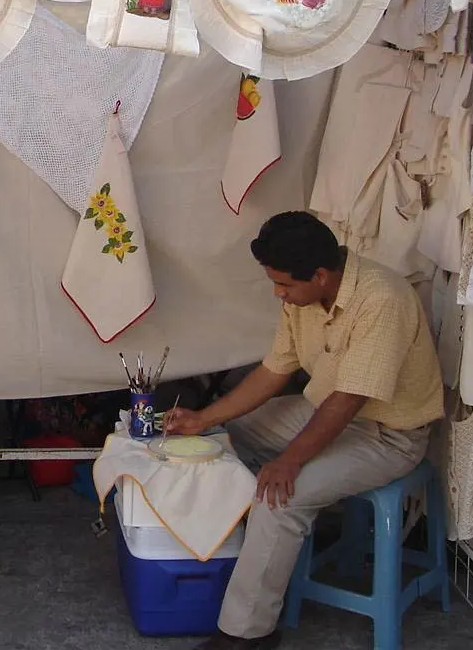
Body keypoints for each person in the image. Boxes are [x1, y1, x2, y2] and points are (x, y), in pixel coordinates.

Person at [164, 211, 444, 650]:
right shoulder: (305, 297)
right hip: (323, 411)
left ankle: (247, 633)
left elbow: (348, 400)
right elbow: (274, 370)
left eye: (285, 285)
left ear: (319, 275)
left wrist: (290, 460)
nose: (279, 294)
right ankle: (242, 556)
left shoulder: (382, 298)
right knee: (224, 437)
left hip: (389, 435)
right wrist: (204, 419)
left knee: (281, 498)